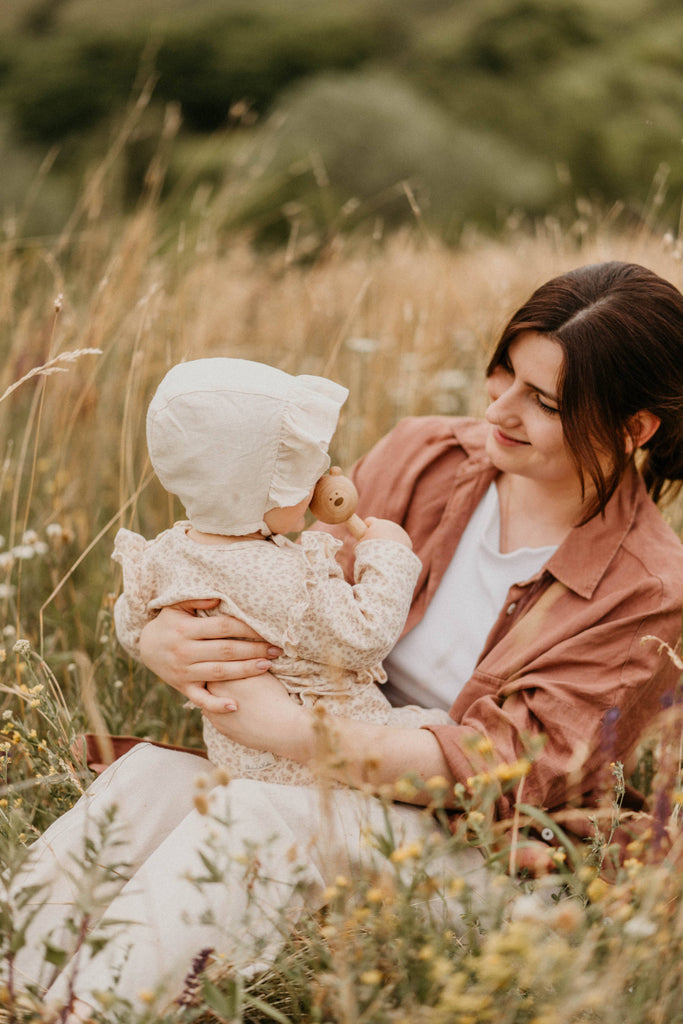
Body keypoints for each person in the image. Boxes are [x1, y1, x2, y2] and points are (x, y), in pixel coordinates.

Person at [12, 261, 683, 1021]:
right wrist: (158, 637)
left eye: (542, 400)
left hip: (478, 854)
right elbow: (267, 576)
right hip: (322, 783)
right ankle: (14, 987)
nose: (499, 408)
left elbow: (507, 774)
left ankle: (89, 1012)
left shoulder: (649, 588)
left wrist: (292, 733)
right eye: (503, 375)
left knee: (254, 821)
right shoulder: (425, 453)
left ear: (634, 429)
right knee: (146, 784)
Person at [112, 357, 447, 784]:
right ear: (261, 489)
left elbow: (130, 623)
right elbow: (365, 637)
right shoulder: (282, 580)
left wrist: (152, 641)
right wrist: (389, 555)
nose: (321, 480)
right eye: (303, 472)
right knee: (447, 731)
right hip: (318, 761)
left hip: (240, 757)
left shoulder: (169, 552)